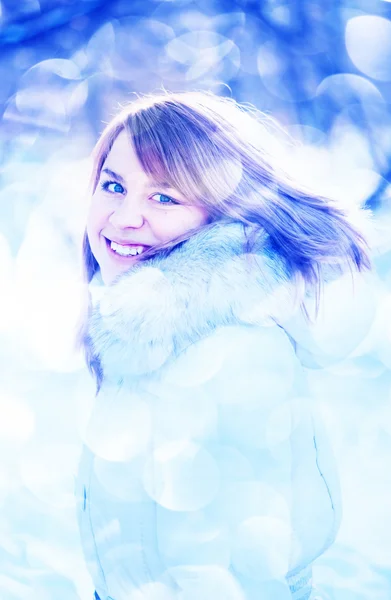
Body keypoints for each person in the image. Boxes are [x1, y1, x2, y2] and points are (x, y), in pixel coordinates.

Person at [75, 90, 371, 600]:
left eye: (164, 197)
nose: (124, 216)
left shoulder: (236, 355)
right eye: (114, 185)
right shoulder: (152, 335)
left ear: (224, 216)